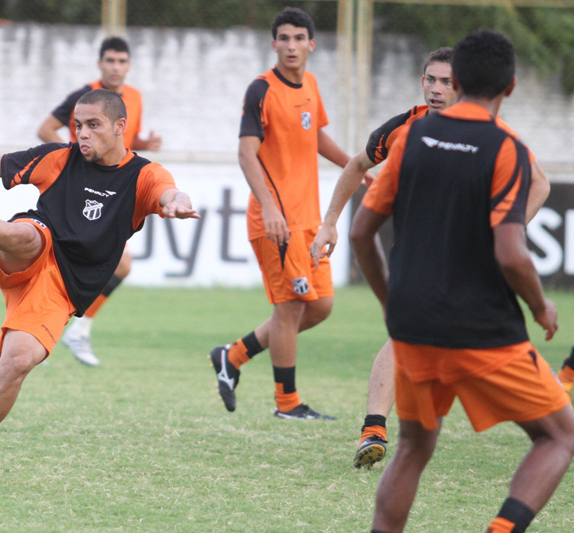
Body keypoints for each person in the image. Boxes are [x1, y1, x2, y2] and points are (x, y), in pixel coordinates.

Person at [0, 89, 198, 489]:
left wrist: (176, 202)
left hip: (62, 291)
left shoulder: (143, 176)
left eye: (93, 125)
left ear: (119, 127)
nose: (82, 134)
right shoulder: (59, 157)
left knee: (16, 365)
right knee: (26, 236)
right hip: (30, 250)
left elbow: (168, 191)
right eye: (78, 125)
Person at [349, 29, 574, 533]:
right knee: (560, 436)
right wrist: (540, 306)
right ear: (509, 87)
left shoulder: (412, 137)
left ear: (460, 80)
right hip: (481, 328)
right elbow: (511, 253)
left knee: (413, 446)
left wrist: (392, 301)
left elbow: (362, 231)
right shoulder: (507, 146)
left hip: (414, 325)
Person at [310, 48, 550, 468]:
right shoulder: (407, 126)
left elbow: (540, 184)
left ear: (462, 86)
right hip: (423, 257)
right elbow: (356, 166)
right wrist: (328, 222)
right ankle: (374, 428)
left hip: (469, 267)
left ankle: (549, 428)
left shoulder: (491, 132)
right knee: (404, 338)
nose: (437, 89)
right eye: (430, 80)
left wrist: (503, 234)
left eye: (446, 82)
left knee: (471, 350)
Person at [208, 7, 374, 420]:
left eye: (299, 38)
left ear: (311, 45)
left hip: (309, 220)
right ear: (274, 44)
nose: (291, 45)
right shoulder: (260, 90)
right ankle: (288, 404)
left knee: (320, 307)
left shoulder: (311, 85)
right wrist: (269, 208)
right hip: (275, 221)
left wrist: (355, 166)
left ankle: (234, 355)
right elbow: (246, 154)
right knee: (290, 309)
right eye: (283, 38)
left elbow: (314, 134)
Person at [38, 36, 162, 367]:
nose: (116, 67)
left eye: (122, 61)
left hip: (114, 188)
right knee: (61, 256)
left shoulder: (133, 98)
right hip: (80, 189)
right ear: (100, 64)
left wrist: (142, 144)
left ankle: (72, 327)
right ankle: (50, 328)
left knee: (118, 263)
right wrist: (72, 159)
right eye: (110, 60)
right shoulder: (84, 96)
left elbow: (119, 140)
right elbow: (46, 129)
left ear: (129, 65)